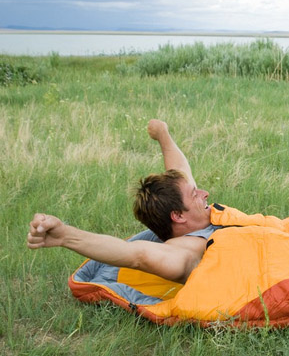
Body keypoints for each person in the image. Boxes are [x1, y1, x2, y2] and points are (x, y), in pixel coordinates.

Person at [27, 120, 214, 284]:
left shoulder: (197, 215)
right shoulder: (187, 251)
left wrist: (162, 133)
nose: (205, 194)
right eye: (195, 194)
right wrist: (65, 236)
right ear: (178, 216)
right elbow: (137, 255)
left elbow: (180, 169)